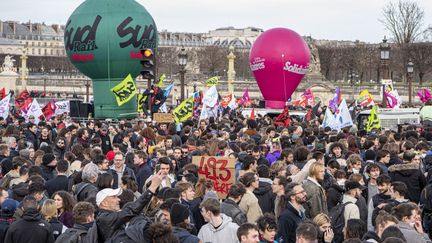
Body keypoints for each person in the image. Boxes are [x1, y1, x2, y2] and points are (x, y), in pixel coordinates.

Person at [95, 170, 163, 242]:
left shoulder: (107, 216)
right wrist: (152, 188)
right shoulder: (105, 218)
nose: (118, 199)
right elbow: (132, 210)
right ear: (104, 203)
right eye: (114, 197)